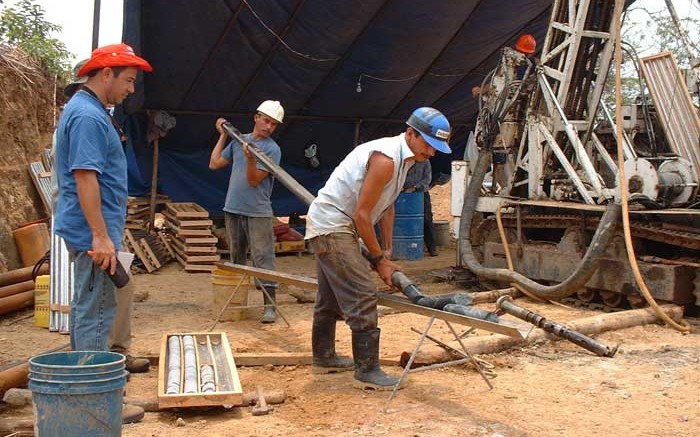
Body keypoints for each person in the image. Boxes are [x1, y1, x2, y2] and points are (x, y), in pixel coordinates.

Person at [305, 107, 452, 390]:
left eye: (436, 148)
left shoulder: (405, 160)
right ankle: (368, 371)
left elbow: (386, 207)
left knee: (330, 297)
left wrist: (385, 251)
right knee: (362, 291)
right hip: (333, 224)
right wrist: (376, 259)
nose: (432, 153)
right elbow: (362, 215)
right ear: (411, 133)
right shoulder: (385, 159)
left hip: (340, 223)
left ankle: (323, 358)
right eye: (429, 145)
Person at [54, 45, 152, 423]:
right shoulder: (88, 117)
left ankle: (85, 388)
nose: (130, 89)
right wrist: (100, 236)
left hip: (93, 229)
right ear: (105, 74)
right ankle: (97, 402)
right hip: (91, 233)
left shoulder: (90, 112)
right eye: (127, 80)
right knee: (96, 314)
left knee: (89, 309)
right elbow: (84, 176)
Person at [209, 100, 285, 323]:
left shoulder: (272, 149)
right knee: (237, 258)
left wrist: (251, 158)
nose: (268, 127)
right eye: (266, 121)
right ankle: (236, 304)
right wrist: (223, 134)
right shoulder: (239, 141)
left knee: (263, 259)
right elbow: (214, 163)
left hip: (258, 211)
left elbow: (253, 181)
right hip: (233, 207)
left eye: (273, 124)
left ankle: (269, 306)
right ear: (256, 117)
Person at [402, 160, 438, 256]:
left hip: (421, 194)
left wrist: (414, 187)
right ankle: (405, 247)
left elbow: (427, 180)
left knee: (426, 219)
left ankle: (432, 247)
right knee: (403, 221)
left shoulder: (425, 162)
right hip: (403, 194)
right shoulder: (404, 160)